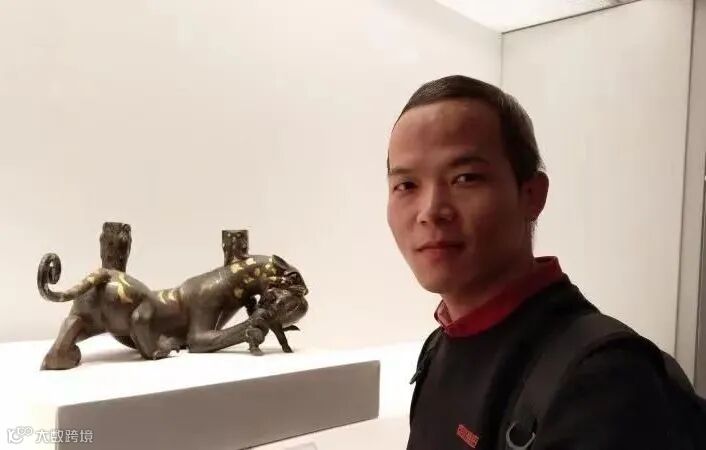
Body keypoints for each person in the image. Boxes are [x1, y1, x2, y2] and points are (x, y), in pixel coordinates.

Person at [386, 75, 684, 449]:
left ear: (531, 195)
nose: (430, 211)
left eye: (465, 178)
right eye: (406, 185)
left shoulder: (604, 380)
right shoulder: (439, 346)